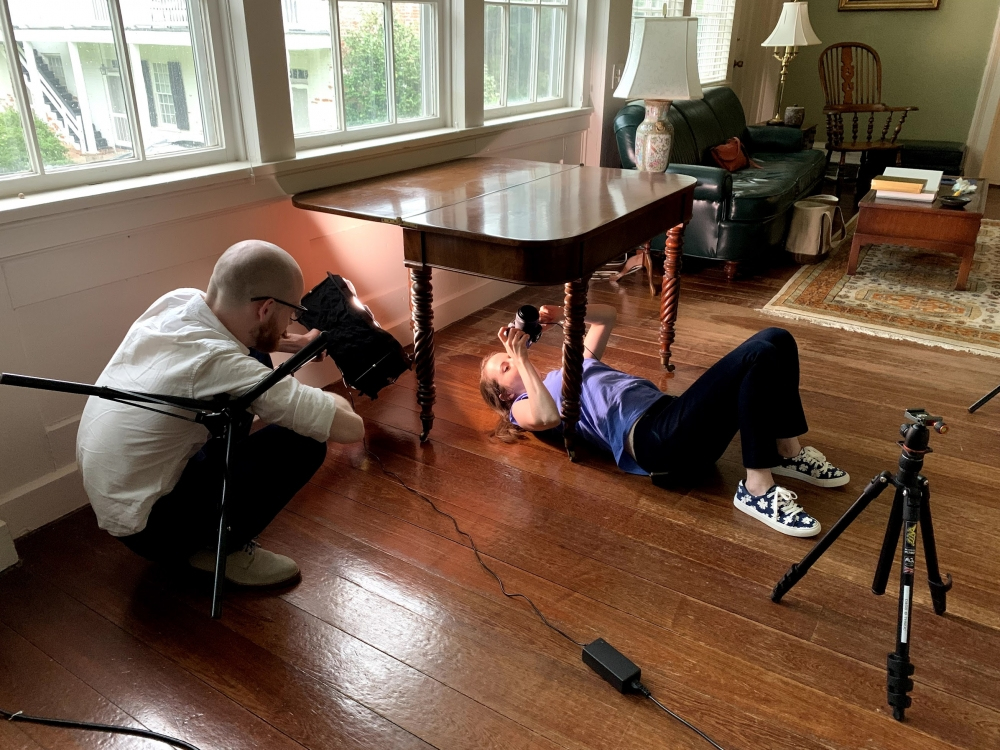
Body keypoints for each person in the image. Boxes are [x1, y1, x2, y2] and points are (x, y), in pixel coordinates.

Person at [77, 240, 365, 586]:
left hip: (122, 499)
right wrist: (331, 403)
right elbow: (350, 430)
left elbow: (236, 349)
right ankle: (217, 549)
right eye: (291, 313)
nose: (293, 320)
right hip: (152, 528)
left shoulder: (179, 301)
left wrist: (293, 344)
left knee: (255, 356)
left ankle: (210, 526)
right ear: (266, 308)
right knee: (307, 439)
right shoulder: (216, 362)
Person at [479, 304, 849, 537]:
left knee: (776, 338)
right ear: (505, 394)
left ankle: (785, 450)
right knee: (758, 356)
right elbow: (546, 416)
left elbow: (606, 315)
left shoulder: (567, 370)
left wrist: (563, 314)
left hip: (674, 416)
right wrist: (522, 359)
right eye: (505, 365)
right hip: (655, 442)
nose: (512, 355)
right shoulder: (522, 406)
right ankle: (756, 489)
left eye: (509, 354)